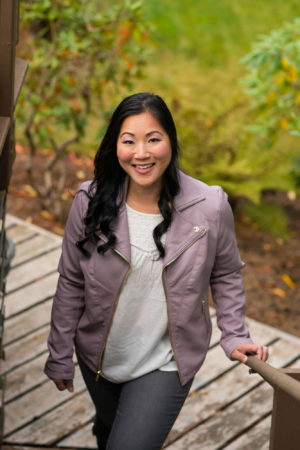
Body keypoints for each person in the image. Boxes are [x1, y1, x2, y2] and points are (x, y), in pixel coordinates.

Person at [44, 92, 268, 450]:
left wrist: (234, 333)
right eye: (128, 141)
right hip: (98, 356)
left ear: (171, 141)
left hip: (166, 361)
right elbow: (71, 281)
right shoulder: (89, 201)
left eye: (153, 139)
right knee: (110, 427)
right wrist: (58, 354)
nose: (142, 153)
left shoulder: (209, 206)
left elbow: (225, 273)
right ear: (114, 145)